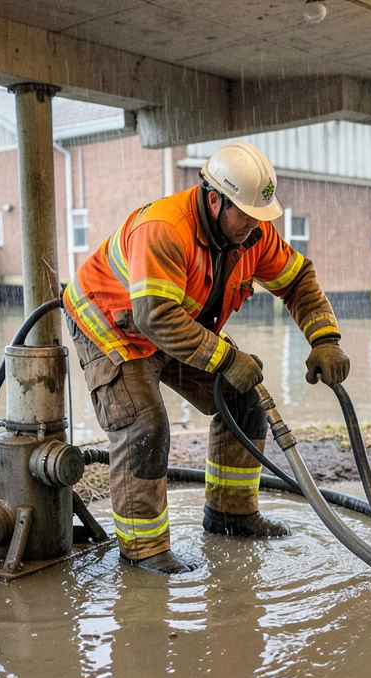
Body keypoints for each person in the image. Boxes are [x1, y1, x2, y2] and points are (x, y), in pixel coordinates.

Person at [64, 140, 350, 574]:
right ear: (215, 199)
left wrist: (324, 338)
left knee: (244, 398)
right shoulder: (164, 228)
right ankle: (144, 551)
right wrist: (228, 359)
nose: (256, 227)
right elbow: (155, 316)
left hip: (174, 320)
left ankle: (230, 515)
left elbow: (297, 280)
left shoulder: (252, 231)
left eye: (262, 216)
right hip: (113, 324)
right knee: (145, 424)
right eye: (248, 215)